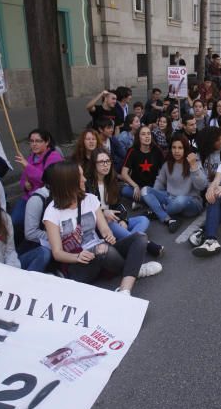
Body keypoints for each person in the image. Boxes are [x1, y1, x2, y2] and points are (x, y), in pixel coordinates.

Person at [44, 161, 162, 294]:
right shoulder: (52, 212)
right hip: (78, 263)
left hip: (103, 251)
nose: (85, 179)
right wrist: (77, 257)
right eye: (80, 177)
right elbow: (57, 253)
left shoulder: (90, 199)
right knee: (103, 249)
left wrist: (109, 235)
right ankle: (134, 269)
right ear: (68, 182)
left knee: (140, 237)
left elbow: (104, 229)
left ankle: (124, 290)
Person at [86, 147, 163, 256]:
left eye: (108, 161)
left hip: (114, 218)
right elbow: (86, 211)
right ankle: (146, 244)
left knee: (143, 220)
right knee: (110, 222)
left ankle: (126, 243)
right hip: (100, 224)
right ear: (94, 164)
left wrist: (124, 220)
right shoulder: (87, 184)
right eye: (101, 162)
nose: (106, 164)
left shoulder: (110, 181)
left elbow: (118, 204)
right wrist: (103, 213)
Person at [138, 134, 207, 232]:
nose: (177, 151)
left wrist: (193, 167)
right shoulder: (168, 164)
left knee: (180, 200)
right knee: (145, 190)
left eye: (180, 148)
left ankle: (157, 211)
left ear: (185, 149)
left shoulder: (194, 163)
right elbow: (159, 181)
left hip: (191, 203)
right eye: (174, 147)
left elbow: (202, 186)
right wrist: (155, 197)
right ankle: (167, 218)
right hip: (170, 198)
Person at [11, 129, 63, 240]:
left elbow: (50, 179)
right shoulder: (31, 157)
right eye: (31, 141)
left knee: (31, 226)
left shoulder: (54, 157)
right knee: (14, 221)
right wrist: (25, 184)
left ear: (47, 141)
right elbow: (23, 179)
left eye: (38, 141)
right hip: (28, 197)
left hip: (46, 198)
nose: (34, 144)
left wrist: (28, 166)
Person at [0, 190, 51, 272]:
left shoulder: (4, 218)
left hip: (9, 267)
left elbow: (10, 251)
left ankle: (26, 281)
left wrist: (13, 271)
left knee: (44, 253)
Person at [121, 126, 165, 208]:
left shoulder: (157, 150)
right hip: (138, 187)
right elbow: (124, 173)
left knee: (163, 191)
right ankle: (154, 203)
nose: (147, 136)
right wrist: (135, 186)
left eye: (149, 134)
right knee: (124, 191)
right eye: (143, 134)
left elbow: (164, 170)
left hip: (153, 187)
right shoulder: (132, 151)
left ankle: (142, 202)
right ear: (138, 137)